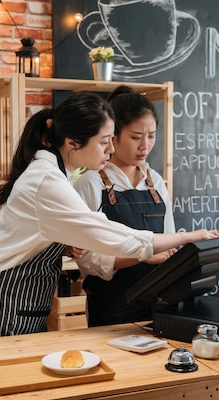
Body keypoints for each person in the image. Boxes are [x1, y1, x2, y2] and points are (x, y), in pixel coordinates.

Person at [0, 92, 219, 342]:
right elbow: (105, 233)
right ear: (73, 142)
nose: (110, 150)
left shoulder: (54, 175)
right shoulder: (47, 180)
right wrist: (191, 236)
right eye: (103, 142)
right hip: (2, 303)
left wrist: (64, 244)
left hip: (21, 303)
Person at [74, 86, 177, 326]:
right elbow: (87, 260)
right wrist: (143, 254)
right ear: (113, 135)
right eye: (136, 137)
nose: (145, 145)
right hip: (112, 310)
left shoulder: (156, 182)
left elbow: (168, 241)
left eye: (151, 135)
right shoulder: (91, 182)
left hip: (159, 307)